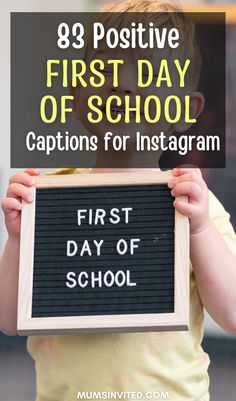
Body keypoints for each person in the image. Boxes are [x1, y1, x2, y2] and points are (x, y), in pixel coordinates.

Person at [1, 1, 236, 400]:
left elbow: (232, 315)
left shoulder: (194, 202)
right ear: (76, 94)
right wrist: (19, 241)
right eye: (104, 67)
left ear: (185, 109)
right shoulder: (46, 200)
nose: (123, 82)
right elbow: (9, 319)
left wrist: (199, 229)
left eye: (148, 70)